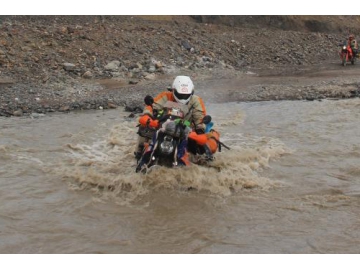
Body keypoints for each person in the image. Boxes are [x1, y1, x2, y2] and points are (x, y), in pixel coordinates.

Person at [135, 75, 217, 166]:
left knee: (201, 150)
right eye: (180, 94)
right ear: (173, 90)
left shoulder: (196, 101)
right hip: (164, 125)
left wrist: (200, 131)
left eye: (186, 95)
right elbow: (152, 107)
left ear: (191, 92)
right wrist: (148, 117)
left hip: (186, 128)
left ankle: (203, 162)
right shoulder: (165, 96)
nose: (183, 97)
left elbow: (200, 119)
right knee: (143, 129)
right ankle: (139, 151)